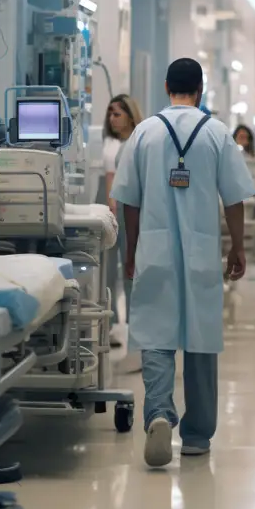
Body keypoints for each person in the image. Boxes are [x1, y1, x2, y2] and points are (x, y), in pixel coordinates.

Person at [111, 57, 255, 468]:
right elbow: (234, 198)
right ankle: (196, 435)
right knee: (201, 337)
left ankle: (158, 411)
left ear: (165, 86)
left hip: (153, 248)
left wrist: (131, 248)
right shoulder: (217, 133)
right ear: (201, 88)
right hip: (201, 250)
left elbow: (129, 202)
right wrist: (238, 247)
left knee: (155, 334)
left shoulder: (144, 133)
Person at [102, 94, 143, 343]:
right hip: (109, 208)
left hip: (129, 209)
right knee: (107, 270)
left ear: (130, 115)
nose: (112, 119)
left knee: (132, 268)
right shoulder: (108, 142)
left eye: (117, 114)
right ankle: (109, 322)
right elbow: (108, 178)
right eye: (110, 114)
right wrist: (110, 205)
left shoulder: (139, 141)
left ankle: (133, 325)